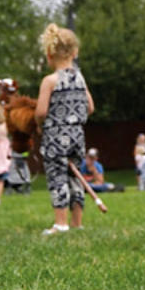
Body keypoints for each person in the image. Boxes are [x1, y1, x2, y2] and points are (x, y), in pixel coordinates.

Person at [35, 23, 95, 235]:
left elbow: (41, 111)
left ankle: (61, 223)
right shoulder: (80, 78)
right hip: (77, 135)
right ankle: (77, 223)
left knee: (57, 176)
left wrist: (40, 125)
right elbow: (90, 107)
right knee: (76, 176)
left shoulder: (49, 81)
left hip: (55, 135)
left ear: (50, 55)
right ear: (75, 52)